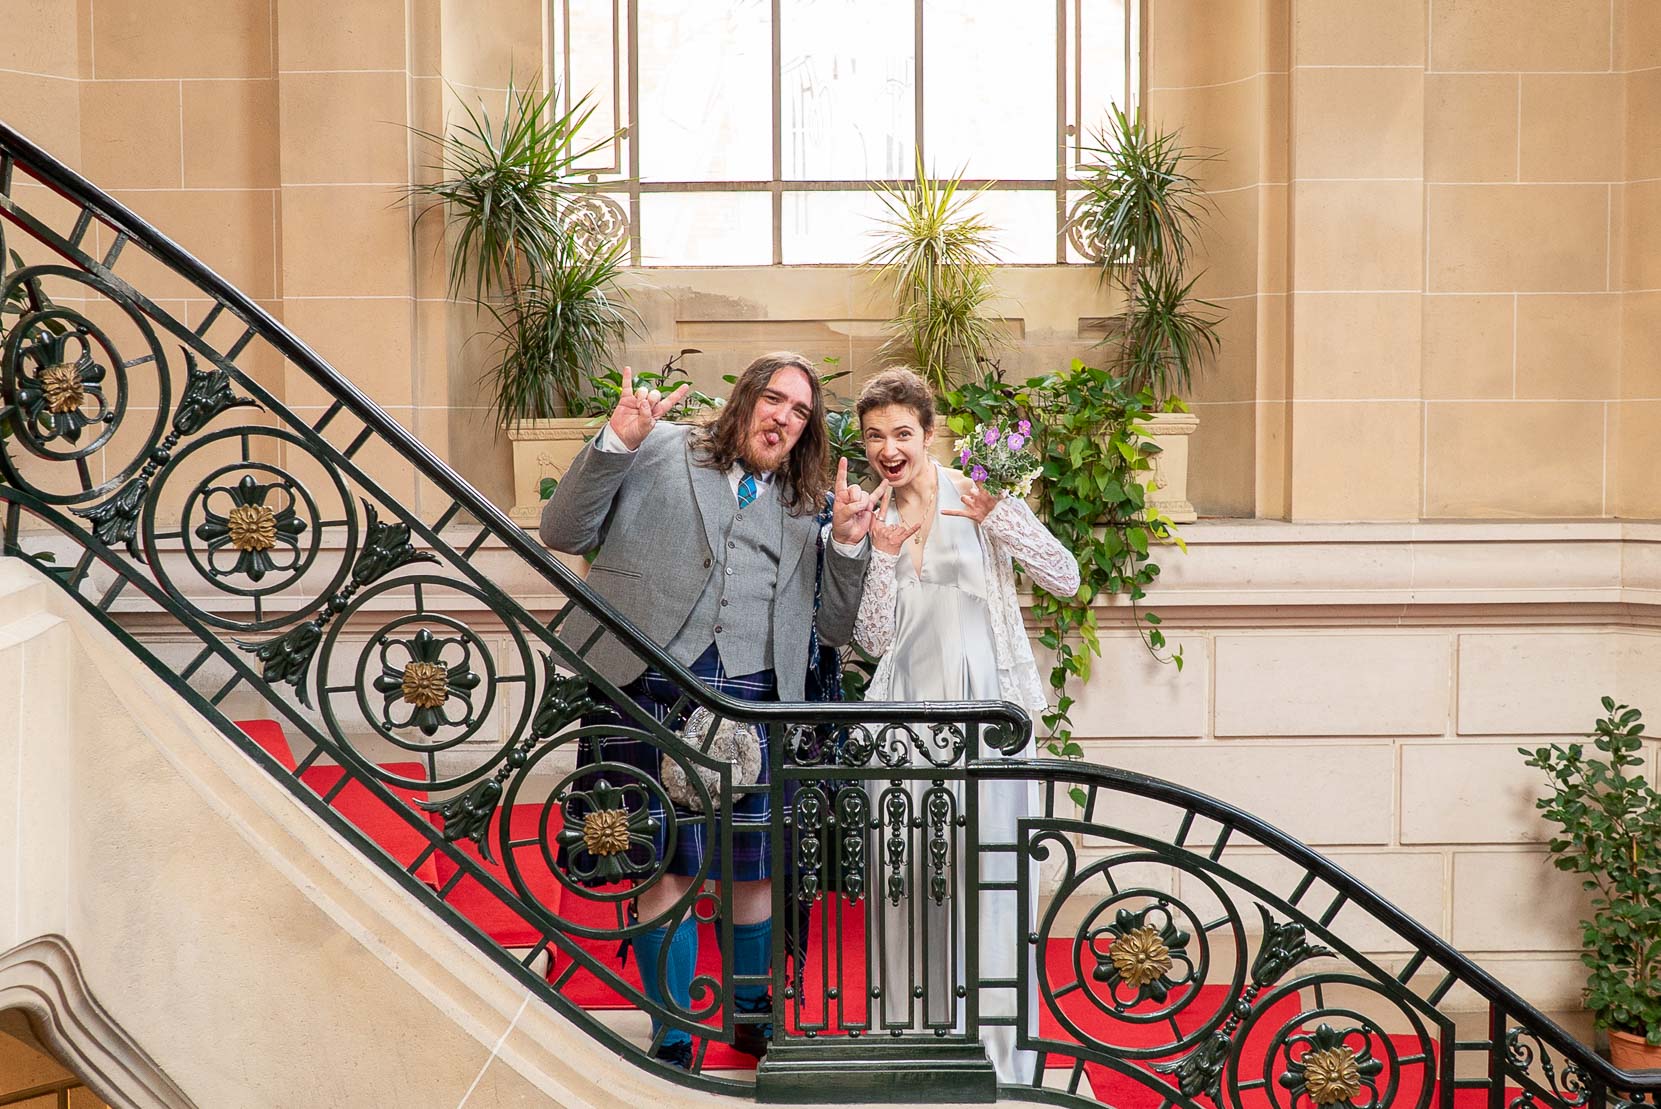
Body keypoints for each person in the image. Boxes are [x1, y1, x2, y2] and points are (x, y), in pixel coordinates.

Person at [539, 352, 879, 1069]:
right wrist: (616, 440)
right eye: (774, 398)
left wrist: (847, 547)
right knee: (662, 862)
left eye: (800, 410)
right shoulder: (659, 447)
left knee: (750, 868)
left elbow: (833, 631)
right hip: (647, 676)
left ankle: (751, 1011)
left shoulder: (809, 503)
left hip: (752, 692)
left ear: (807, 429)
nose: (783, 416)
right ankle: (672, 1024)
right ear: (745, 397)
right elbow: (562, 531)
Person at [851, 366, 1080, 1085]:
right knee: (909, 877)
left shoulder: (976, 496)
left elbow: (1065, 576)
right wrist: (880, 559)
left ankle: (999, 1051)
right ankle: (912, 1041)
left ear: (927, 432)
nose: (889, 448)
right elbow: (869, 639)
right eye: (874, 436)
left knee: (990, 874)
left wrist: (1001, 517)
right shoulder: (868, 513)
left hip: (985, 713)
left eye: (902, 433)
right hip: (902, 720)